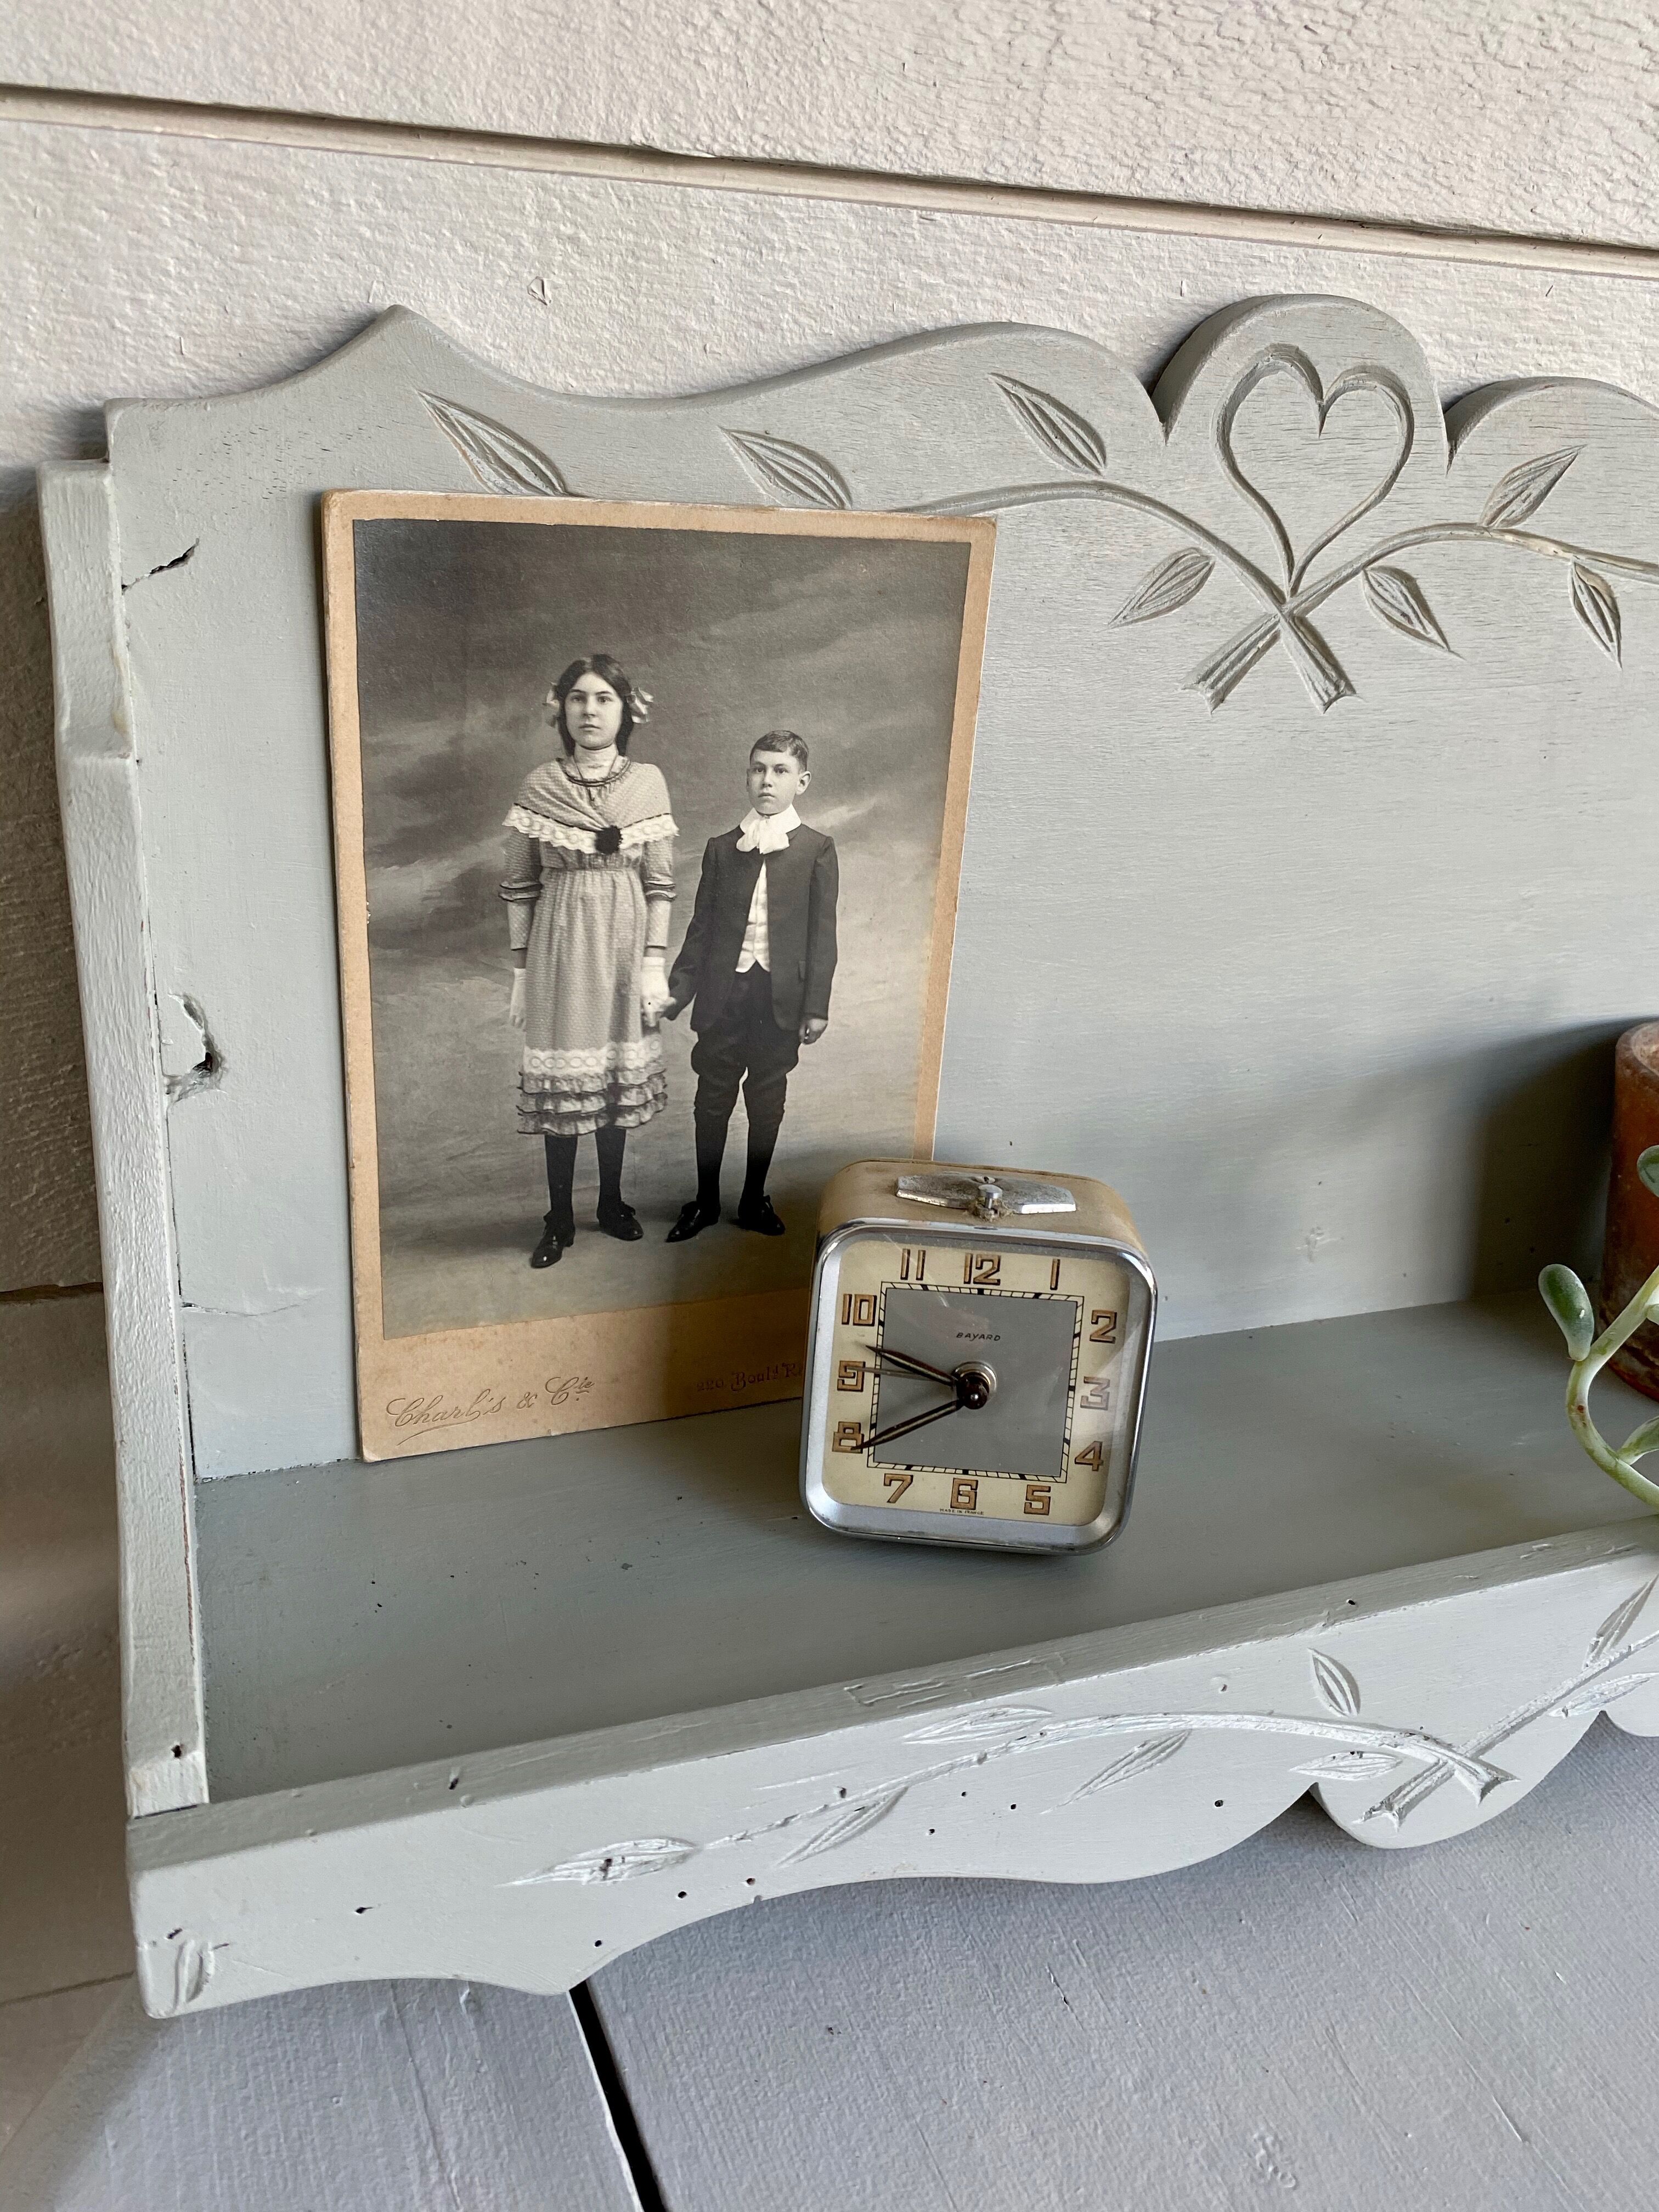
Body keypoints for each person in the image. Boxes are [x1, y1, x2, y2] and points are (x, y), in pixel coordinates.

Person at [500, 654, 676, 1268]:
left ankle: (611, 1202)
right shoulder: (538, 786)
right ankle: (558, 1218)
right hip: (562, 943)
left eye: (604, 698)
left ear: (626, 710)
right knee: (565, 1082)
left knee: (609, 1080)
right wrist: (522, 970)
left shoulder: (647, 782)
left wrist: (654, 961)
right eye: (579, 698)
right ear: (562, 709)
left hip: (626, 942)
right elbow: (520, 885)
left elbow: (660, 883)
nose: (590, 710)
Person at [661, 731, 838, 1240]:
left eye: (780, 771)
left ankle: (753, 1197)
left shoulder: (817, 850)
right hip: (725, 997)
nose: (767, 780)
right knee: (712, 1097)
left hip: (780, 1001)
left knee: (767, 1099)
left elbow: (821, 936)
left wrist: (816, 1005)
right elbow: (701, 931)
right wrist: (676, 993)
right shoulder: (721, 850)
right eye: (759, 769)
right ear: (747, 776)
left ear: (801, 782)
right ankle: (705, 1200)